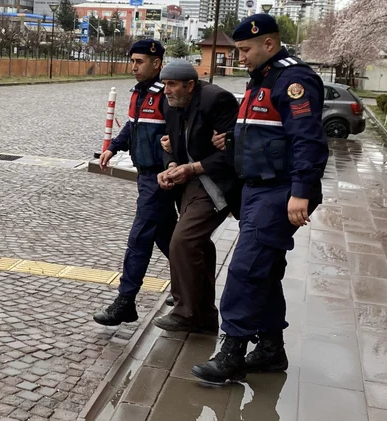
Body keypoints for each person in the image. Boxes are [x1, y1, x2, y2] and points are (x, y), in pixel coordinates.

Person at [191, 15, 329, 383]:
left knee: (245, 269)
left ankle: (232, 351)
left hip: (279, 190)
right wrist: (231, 141)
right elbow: (268, 133)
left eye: (245, 50)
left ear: (269, 44)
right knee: (264, 271)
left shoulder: (293, 80)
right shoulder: (262, 80)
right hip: (258, 190)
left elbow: (307, 141)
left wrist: (301, 191)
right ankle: (270, 349)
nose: (240, 57)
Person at [151, 60, 241, 333]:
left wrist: (191, 168)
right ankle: (204, 315)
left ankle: (185, 311)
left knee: (183, 240)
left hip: (216, 183)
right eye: (165, 84)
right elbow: (169, 143)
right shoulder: (169, 103)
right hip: (189, 184)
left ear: (190, 85)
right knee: (198, 245)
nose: (166, 90)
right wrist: (169, 167)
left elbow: (231, 152)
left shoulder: (218, 100)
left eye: (172, 85)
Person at [94, 39, 178, 326]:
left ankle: (126, 301)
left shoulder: (165, 94)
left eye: (139, 61)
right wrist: (113, 147)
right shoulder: (138, 94)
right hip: (145, 175)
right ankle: (189, 287)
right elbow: (132, 125)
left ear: (157, 64)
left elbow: (181, 130)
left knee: (140, 237)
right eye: (132, 61)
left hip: (160, 177)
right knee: (167, 236)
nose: (134, 67)